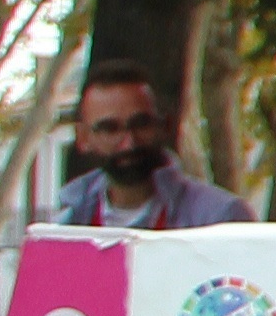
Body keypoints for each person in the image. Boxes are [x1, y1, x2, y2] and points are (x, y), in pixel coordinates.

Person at [39, 58, 247, 230]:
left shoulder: (220, 219)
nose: (129, 143)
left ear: (165, 125)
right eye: (110, 129)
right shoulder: (67, 227)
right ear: (83, 138)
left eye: (140, 124)